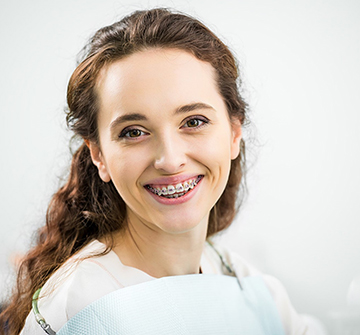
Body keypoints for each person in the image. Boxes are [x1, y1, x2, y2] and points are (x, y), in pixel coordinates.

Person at [0, 8, 310, 335]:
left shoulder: (258, 294)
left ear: (234, 133)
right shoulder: (79, 309)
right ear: (99, 155)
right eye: (134, 131)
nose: (170, 159)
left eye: (194, 122)